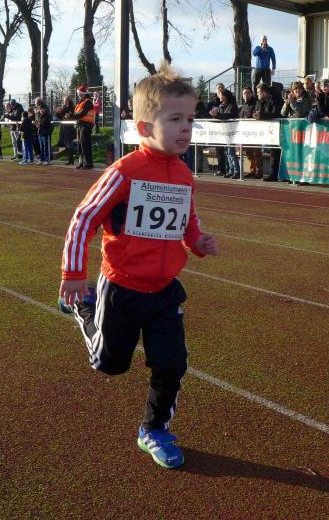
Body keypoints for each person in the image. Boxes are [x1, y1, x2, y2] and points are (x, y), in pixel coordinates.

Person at [58, 64, 218, 470]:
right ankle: (83, 306)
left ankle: (155, 429)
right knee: (110, 364)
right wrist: (74, 274)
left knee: (172, 362)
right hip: (122, 287)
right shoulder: (124, 172)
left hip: (164, 290)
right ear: (145, 128)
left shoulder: (183, 174)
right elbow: (84, 219)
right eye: (175, 120)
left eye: (190, 119)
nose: (186, 129)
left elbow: (186, 219)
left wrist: (196, 241)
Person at [253, 83, 281, 182]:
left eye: (259, 92)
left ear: (264, 92)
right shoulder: (259, 102)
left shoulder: (275, 99)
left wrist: (261, 115)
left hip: (277, 129)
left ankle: (274, 174)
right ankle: (273, 174)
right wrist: (255, 115)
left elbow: (275, 114)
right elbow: (256, 112)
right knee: (272, 151)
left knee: (275, 152)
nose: (257, 94)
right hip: (267, 130)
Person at [209, 87, 240, 178]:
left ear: (225, 96)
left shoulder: (232, 105)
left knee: (231, 152)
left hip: (231, 131)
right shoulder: (221, 106)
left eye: (221, 95)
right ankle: (230, 170)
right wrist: (214, 115)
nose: (219, 96)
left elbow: (229, 116)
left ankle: (236, 171)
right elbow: (220, 117)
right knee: (227, 152)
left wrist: (217, 115)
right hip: (224, 131)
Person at [239, 86, 263, 178]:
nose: (246, 95)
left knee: (257, 153)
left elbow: (256, 114)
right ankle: (252, 170)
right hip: (246, 133)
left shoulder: (256, 103)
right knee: (248, 153)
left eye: (248, 93)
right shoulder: (243, 105)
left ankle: (259, 172)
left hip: (255, 132)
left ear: (252, 94)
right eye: (244, 93)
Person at [71, 85, 95, 169]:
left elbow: (82, 113)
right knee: (80, 145)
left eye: (79, 93)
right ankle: (81, 162)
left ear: (83, 93)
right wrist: (72, 115)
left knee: (85, 144)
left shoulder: (88, 102)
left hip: (86, 125)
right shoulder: (81, 102)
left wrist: (72, 116)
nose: (78, 95)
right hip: (80, 125)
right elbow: (76, 112)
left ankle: (88, 163)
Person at [56, 96, 78, 166]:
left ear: (68, 100)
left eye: (65, 100)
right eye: (64, 100)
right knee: (66, 144)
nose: (64, 101)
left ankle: (71, 159)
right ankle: (70, 160)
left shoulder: (72, 107)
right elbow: (61, 117)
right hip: (64, 128)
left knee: (69, 144)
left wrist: (67, 115)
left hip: (70, 128)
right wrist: (58, 112)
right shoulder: (65, 107)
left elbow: (70, 116)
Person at [34, 97, 53, 165]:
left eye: (42, 109)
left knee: (46, 146)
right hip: (40, 131)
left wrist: (39, 124)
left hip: (46, 131)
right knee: (41, 146)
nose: (41, 110)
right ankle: (42, 159)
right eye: (40, 109)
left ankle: (47, 159)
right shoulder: (38, 113)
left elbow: (47, 122)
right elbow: (38, 120)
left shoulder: (47, 114)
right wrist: (37, 124)